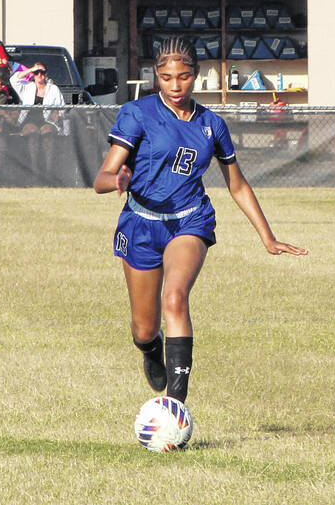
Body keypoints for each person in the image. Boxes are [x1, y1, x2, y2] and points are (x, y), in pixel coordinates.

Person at [93, 36, 307, 406]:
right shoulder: (137, 113)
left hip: (189, 221)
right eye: (166, 77)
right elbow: (101, 178)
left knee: (174, 298)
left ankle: (175, 410)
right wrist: (117, 180)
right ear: (155, 76)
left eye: (184, 76)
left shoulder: (212, 124)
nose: (175, 86)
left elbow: (237, 185)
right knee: (143, 328)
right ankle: (150, 348)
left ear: (197, 74)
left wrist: (267, 237)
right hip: (141, 223)